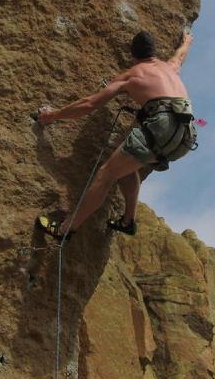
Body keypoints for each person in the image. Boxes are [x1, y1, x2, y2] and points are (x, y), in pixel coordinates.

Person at [36, 29, 197, 240]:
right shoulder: (169, 67)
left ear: (133, 54)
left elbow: (90, 104)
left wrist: (52, 116)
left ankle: (64, 230)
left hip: (162, 127)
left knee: (106, 174)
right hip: (186, 135)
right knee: (126, 165)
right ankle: (128, 221)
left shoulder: (133, 75)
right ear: (153, 52)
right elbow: (180, 55)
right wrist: (187, 41)